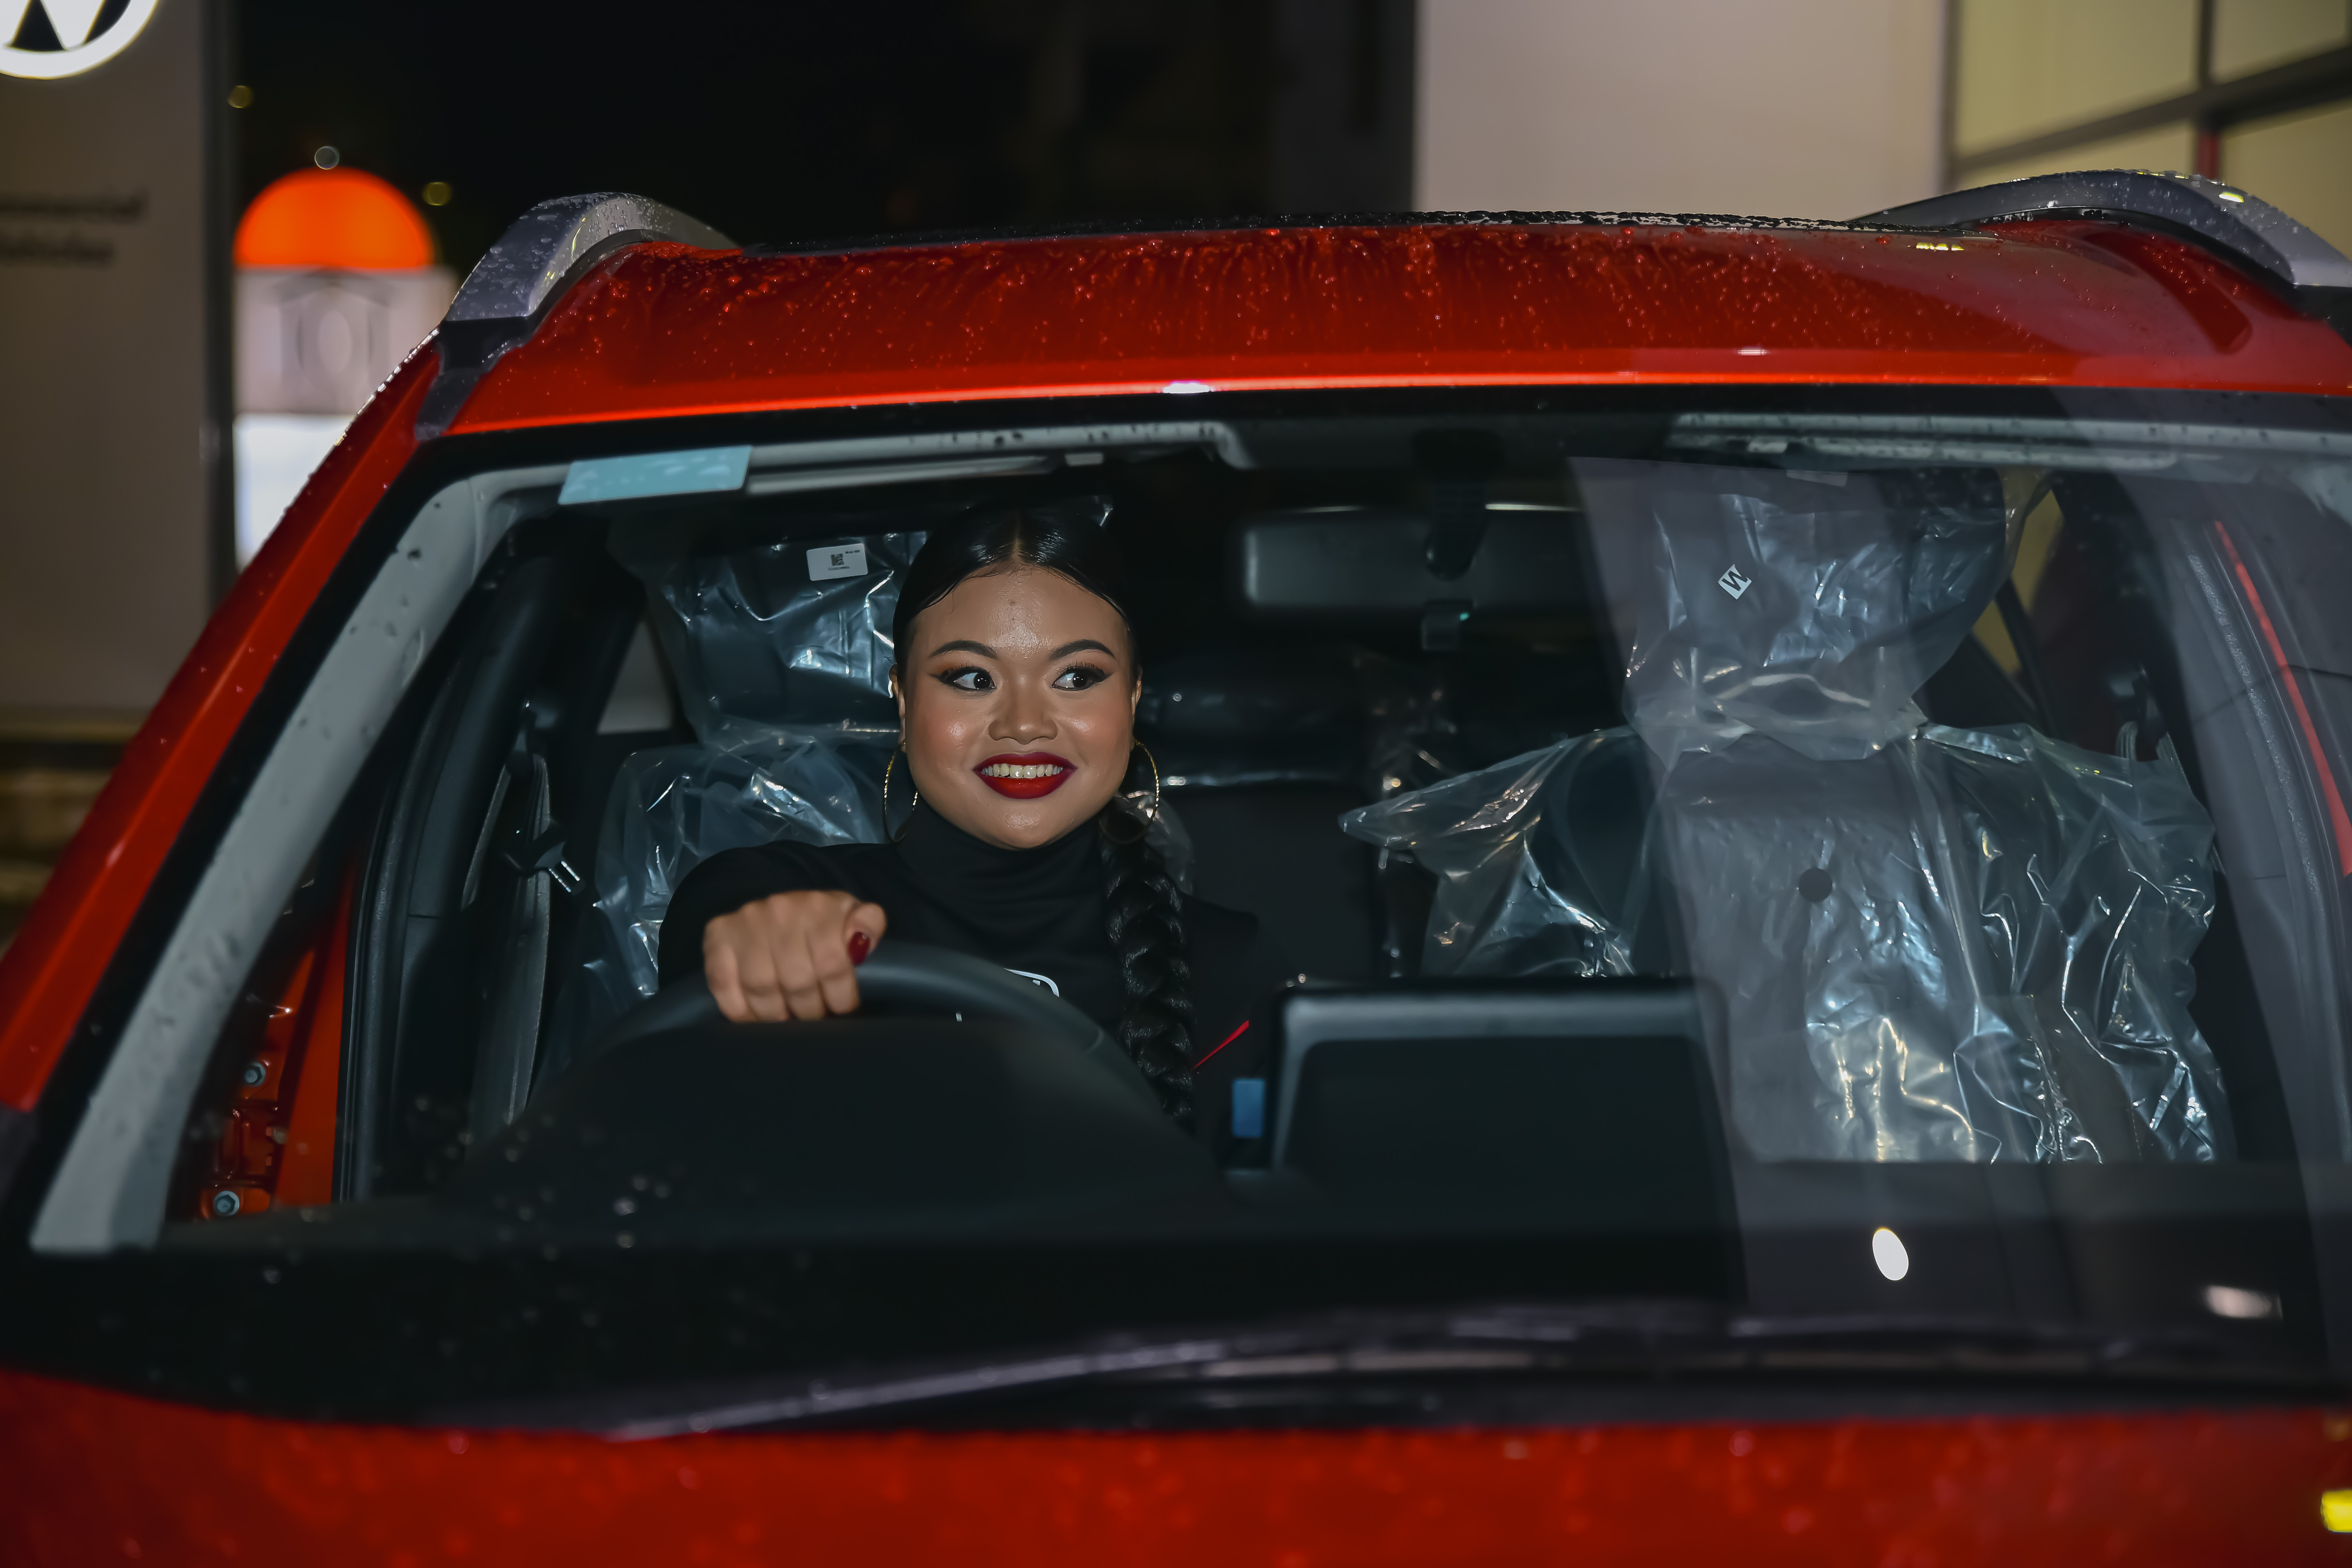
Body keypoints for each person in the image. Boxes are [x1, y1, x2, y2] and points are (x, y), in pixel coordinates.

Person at [657, 502, 1286, 1130]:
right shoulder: (770, 891)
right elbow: (722, 930)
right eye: (971, 678)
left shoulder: (1232, 963)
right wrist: (766, 941)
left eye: (1076, 677)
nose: (1024, 724)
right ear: (904, 699)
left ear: (1132, 696)